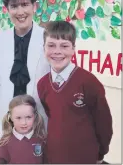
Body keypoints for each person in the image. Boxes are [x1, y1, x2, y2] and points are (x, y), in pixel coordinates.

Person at [0, 0, 49, 143]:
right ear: (7, 9)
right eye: (14, 6)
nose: (20, 12)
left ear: (34, 7)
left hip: (37, 119)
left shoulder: (48, 39)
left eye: (25, 5)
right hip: (6, 119)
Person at [37, 21, 113, 164]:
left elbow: (104, 123)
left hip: (84, 157)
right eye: (51, 45)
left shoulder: (89, 82)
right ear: (43, 48)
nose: (57, 51)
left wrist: (101, 153)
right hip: (53, 156)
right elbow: (51, 117)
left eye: (64, 46)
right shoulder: (42, 84)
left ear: (73, 49)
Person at [0, 94, 46, 164]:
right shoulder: (4, 142)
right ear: (11, 117)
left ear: (35, 116)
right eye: (18, 118)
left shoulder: (41, 138)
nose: (24, 123)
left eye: (28, 117)